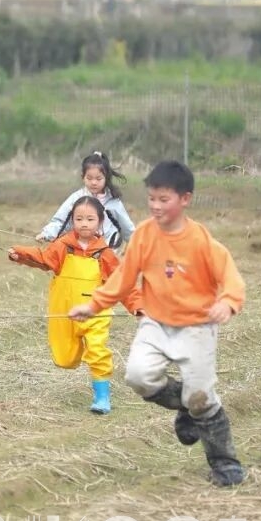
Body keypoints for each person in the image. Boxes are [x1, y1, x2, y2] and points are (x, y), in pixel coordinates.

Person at [70, 160, 246, 487]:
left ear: (185, 199)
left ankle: (225, 463)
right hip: (155, 324)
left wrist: (227, 302)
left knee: (202, 397)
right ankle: (188, 406)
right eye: (152, 198)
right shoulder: (144, 236)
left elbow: (231, 278)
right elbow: (123, 278)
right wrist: (94, 305)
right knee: (139, 376)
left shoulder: (201, 241)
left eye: (164, 199)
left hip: (197, 327)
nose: (155, 205)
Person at [9, 196, 141, 414]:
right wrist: (20, 254)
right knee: (65, 359)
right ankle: (78, 363)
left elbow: (121, 283)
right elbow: (43, 259)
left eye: (90, 219)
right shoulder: (63, 246)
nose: (84, 223)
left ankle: (102, 397)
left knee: (97, 350)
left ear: (100, 222)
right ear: (72, 220)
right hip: (65, 311)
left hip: (95, 313)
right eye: (79, 218)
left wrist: (137, 306)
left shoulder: (104, 254)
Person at [36, 151, 136, 249]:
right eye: (89, 178)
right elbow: (60, 221)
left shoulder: (113, 201)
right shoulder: (76, 199)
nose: (94, 182)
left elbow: (127, 228)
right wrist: (47, 233)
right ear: (83, 177)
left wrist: (140, 246)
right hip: (81, 251)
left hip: (107, 252)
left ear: (106, 178)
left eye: (98, 179)